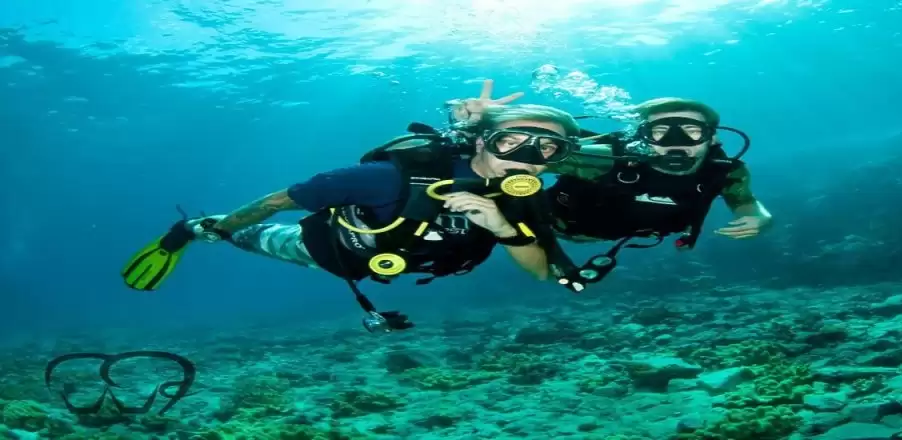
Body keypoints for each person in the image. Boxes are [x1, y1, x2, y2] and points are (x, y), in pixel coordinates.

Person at [121, 84, 582, 332]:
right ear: (481, 141)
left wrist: (500, 225)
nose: (526, 158)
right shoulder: (390, 176)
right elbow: (278, 200)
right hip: (334, 252)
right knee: (255, 237)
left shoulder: (520, 198)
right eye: (511, 141)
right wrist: (223, 228)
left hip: (406, 262)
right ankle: (196, 227)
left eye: (546, 149)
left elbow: (541, 272)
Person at [448, 85, 771, 288]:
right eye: (660, 132)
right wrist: (471, 125)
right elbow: (518, 152)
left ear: (712, 138)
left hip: (628, 233)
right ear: (642, 137)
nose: (677, 143)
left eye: (691, 131)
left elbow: (745, 200)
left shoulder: (724, 171)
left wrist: (759, 217)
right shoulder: (602, 160)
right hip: (558, 225)